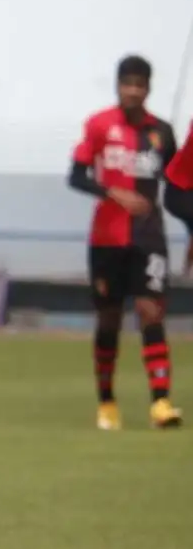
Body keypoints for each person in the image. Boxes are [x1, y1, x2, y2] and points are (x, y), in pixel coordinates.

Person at [68, 55, 192, 430]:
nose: (134, 91)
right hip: (106, 239)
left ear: (149, 88)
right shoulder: (100, 126)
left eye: (140, 85)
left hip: (148, 237)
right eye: (128, 84)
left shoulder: (163, 134)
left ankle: (161, 403)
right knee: (109, 320)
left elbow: (180, 187)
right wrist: (115, 194)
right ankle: (107, 402)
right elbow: (76, 176)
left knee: (151, 310)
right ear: (118, 86)